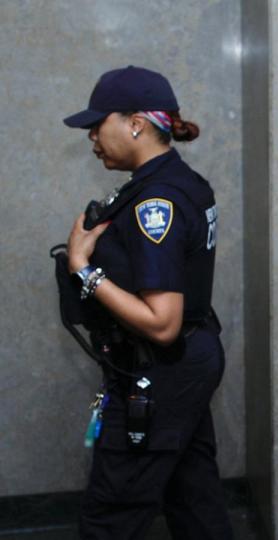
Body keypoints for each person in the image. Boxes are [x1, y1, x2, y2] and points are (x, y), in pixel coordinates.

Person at [61, 65, 232, 539]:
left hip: (160, 368)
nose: (92, 136)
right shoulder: (181, 181)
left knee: (111, 514)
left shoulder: (155, 201)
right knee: (193, 499)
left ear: (135, 122)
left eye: (98, 123)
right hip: (185, 364)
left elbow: (162, 322)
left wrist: (84, 269)